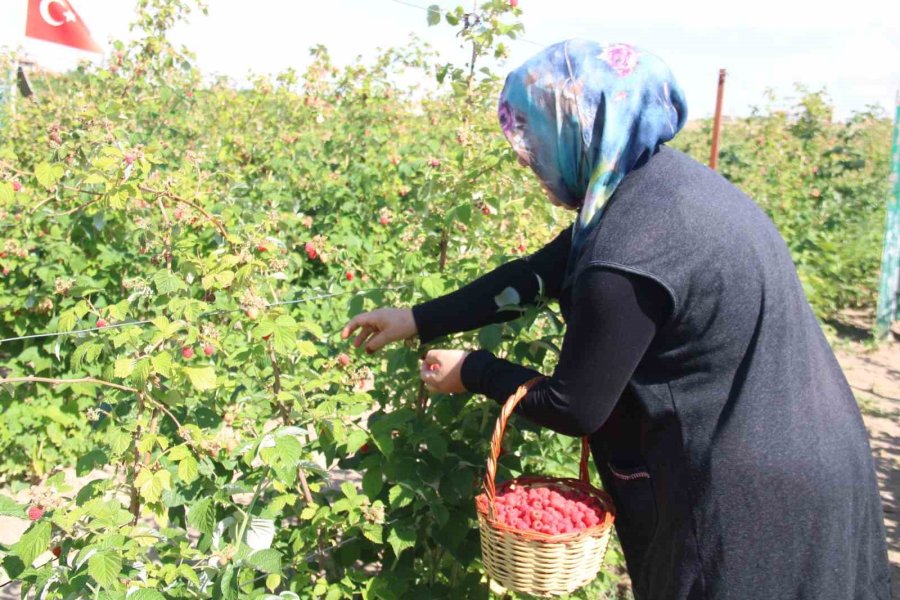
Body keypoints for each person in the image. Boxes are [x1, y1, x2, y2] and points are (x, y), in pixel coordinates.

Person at [340, 39, 891, 600]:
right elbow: (539, 272)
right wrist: (417, 318)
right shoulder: (658, 183)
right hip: (812, 444)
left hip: (748, 493)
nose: (525, 157)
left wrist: (473, 369)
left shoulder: (627, 249)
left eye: (534, 136)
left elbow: (575, 405)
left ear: (582, 128)